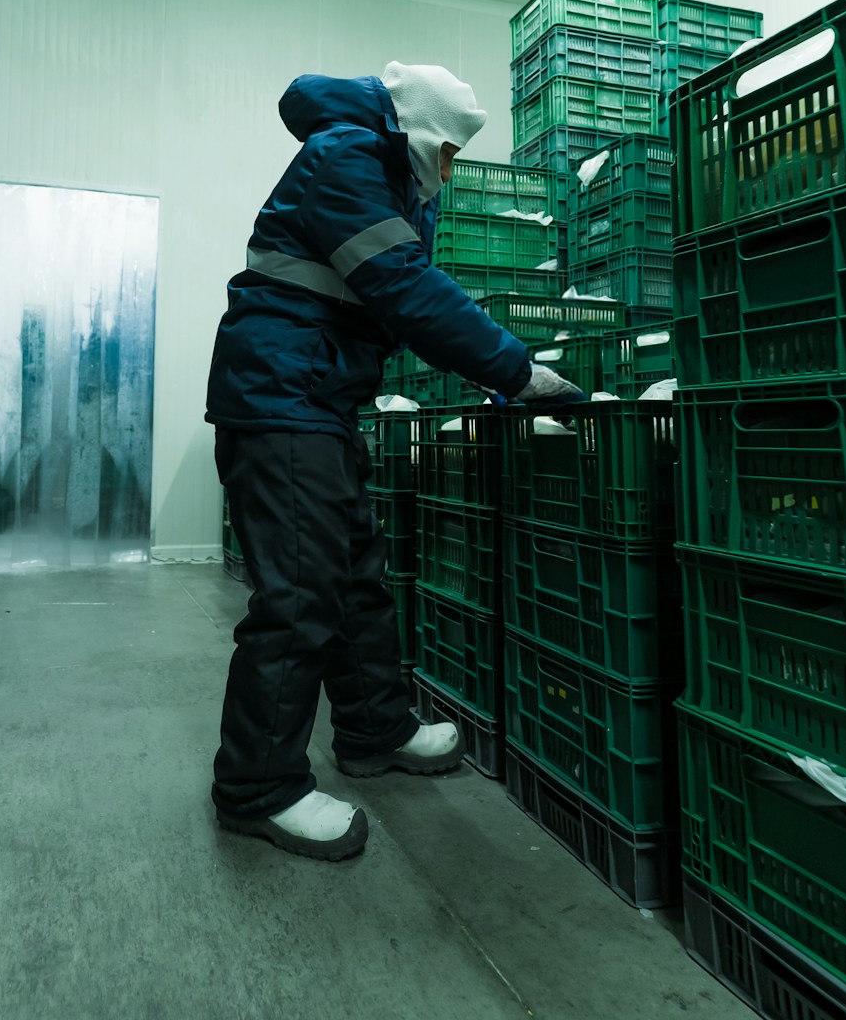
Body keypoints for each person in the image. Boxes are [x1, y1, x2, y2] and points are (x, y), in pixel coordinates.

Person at [204, 62, 581, 860]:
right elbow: (404, 290)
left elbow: (399, 298)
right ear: (418, 131)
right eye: (448, 152)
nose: (450, 170)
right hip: (280, 397)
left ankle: (375, 727)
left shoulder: (387, 174)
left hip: (319, 396)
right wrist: (516, 372)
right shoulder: (345, 157)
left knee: (355, 577)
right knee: (300, 594)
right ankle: (257, 786)